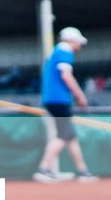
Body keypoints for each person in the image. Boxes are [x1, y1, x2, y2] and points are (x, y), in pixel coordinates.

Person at [34, 27, 95, 184]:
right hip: (59, 99)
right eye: (78, 42)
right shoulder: (64, 51)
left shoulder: (55, 51)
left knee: (70, 136)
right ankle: (44, 168)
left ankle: (83, 171)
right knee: (64, 135)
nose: (79, 46)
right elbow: (66, 75)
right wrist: (80, 95)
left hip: (52, 98)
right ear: (71, 40)